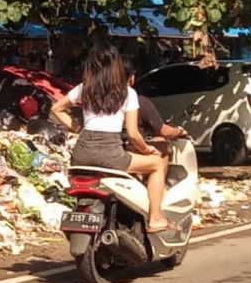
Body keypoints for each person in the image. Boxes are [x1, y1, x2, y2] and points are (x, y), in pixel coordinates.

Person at [50, 43, 175, 233]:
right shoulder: (127, 93)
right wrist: (147, 150)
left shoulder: (84, 88)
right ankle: (155, 218)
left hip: (81, 154)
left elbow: (56, 108)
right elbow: (133, 135)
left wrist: (78, 128)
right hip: (110, 155)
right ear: (116, 66)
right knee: (157, 164)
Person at [121, 57, 188, 143]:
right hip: (132, 148)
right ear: (132, 77)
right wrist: (180, 131)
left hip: (111, 147)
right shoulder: (139, 100)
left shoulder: (105, 100)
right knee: (163, 143)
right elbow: (164, 131)